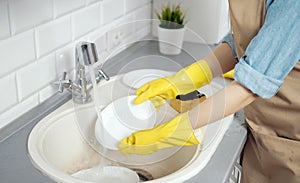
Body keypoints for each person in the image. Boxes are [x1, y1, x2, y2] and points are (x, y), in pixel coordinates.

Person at [118, 0, 300, 182]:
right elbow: (246, 42)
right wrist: (184, 80)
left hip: (291, 139)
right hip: (263, 132)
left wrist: (179, 129)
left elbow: (252, 84)